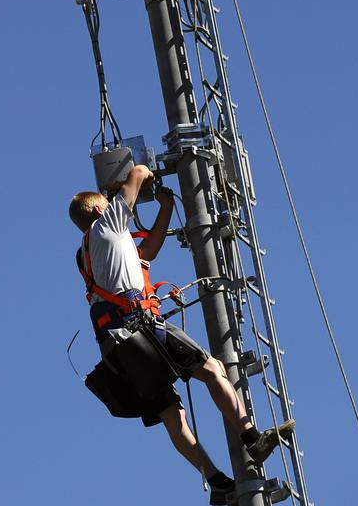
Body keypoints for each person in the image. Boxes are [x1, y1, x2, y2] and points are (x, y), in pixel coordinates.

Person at [71, 163, 294, 504]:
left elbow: (147, 254)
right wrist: (129, 180)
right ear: (101, 210)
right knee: (212, 369)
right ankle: (251, 437)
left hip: (118, 348)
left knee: (172, 415)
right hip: (140, 326)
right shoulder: (107, 225)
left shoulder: (88, 252)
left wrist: (166, 206)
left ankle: (218, 482)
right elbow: (140, 171)